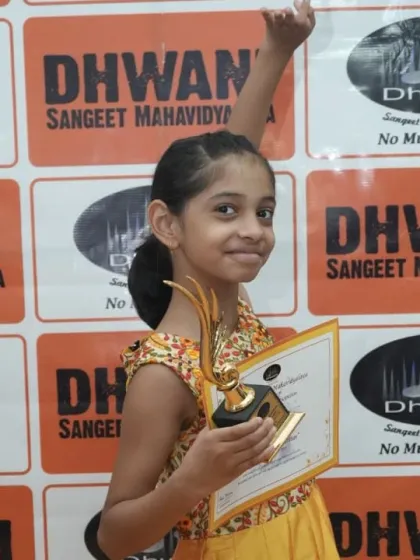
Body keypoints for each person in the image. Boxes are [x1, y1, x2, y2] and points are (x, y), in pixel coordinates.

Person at [98, 4, 339, 559]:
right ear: (168, 225)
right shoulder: (162, 373)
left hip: (303, 534)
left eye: (265, 212)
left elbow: (234, 155)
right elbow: (113, 536)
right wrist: (190, 482)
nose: (253, 229)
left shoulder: (235, 308)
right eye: (226, 211)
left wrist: (276, 51)